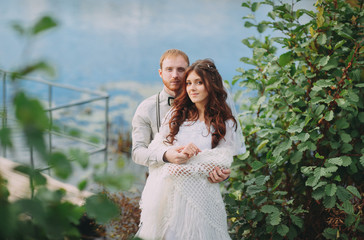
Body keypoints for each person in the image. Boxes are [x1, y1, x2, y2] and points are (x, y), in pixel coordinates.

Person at [136, 59, 245, 240]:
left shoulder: (224, 122)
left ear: (211, 85)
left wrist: (190, 161)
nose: (192, 88)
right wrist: (177, 153)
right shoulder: (177, 114)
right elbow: (157, 145)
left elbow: (223, 158)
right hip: (169, 198)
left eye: (198, 83)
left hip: (201, 199)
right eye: (188, 83)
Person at [131, 49, 230, 183]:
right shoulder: (147, 108)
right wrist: (165, 155)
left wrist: (223, 172)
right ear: (160, 73)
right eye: (169, 69)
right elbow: (137, 152)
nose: (175, 75)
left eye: (181, 70)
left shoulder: (206, 105)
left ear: (188, 72)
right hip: (162, 185)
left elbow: (221, 150)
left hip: (201, 185)